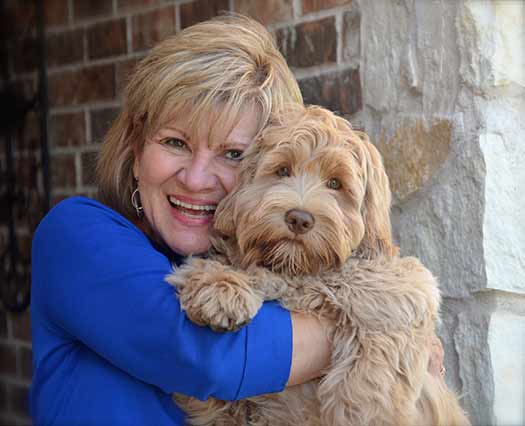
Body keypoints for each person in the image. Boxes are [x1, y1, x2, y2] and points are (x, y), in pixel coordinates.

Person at [30, 14, 444, 426]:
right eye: (175, 142)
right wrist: (381, 328)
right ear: (136, 152)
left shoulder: (273, 276)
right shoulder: (75, 237)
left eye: (232, 154)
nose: (195, 179)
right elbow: (205, 358)